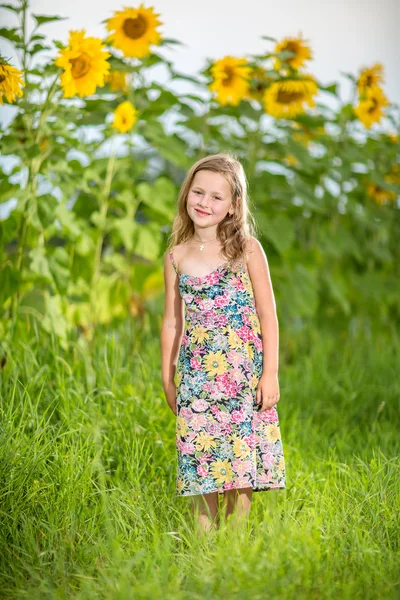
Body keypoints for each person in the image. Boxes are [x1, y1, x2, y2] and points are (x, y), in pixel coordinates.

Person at [160, 152, 286, 535]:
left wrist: (271, 374)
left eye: (216, 197)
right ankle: (202, 552)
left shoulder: (247, 249)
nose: (204, 202)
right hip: (198, 378)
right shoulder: (175, 256)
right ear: (186, 195)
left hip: (242, 376)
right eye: (198, 192)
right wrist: (167, 377)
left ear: (233, 206)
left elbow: (268, 315)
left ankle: (235, 549)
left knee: (239, 465)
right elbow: (172, 322)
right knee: (202, 463)